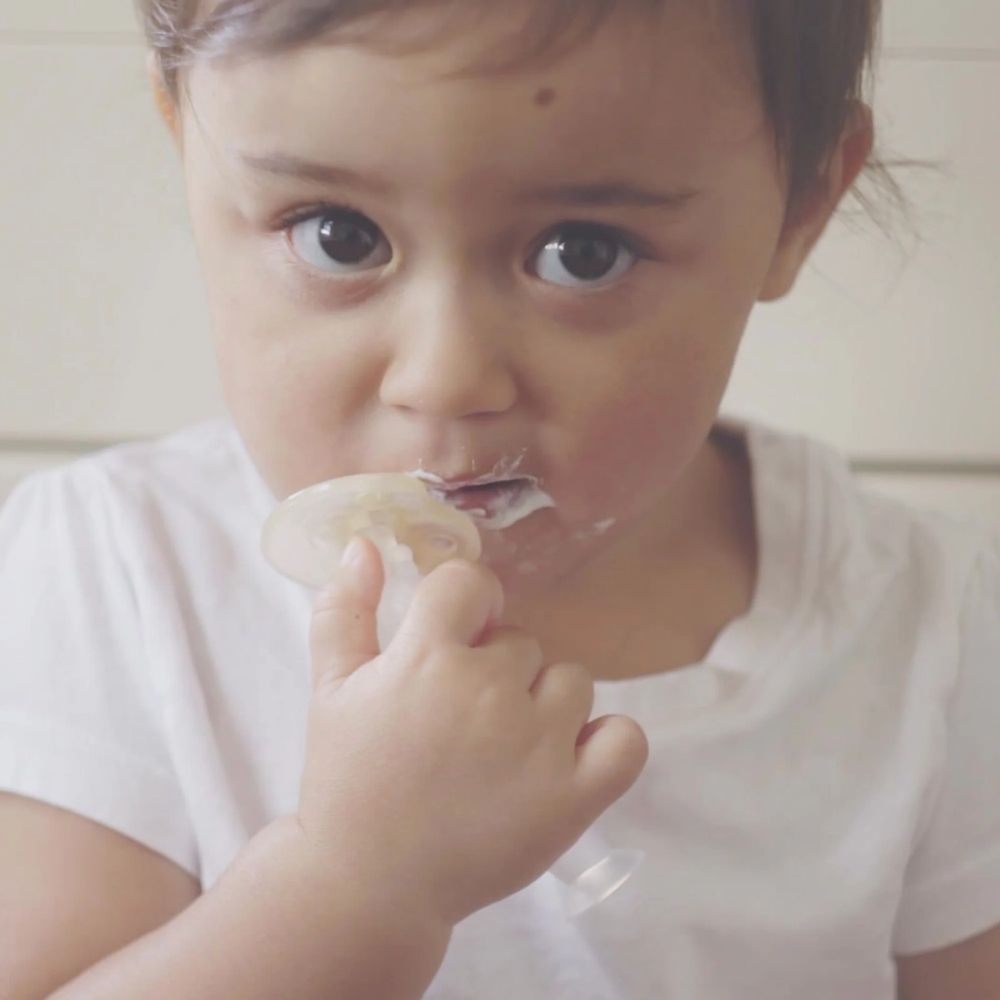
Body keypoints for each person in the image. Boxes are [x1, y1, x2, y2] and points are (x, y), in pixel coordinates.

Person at [1, 1, 998, 997]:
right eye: (339, 236)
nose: (444, 377)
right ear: (188, 144)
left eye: (584, 251)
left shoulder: (929, 632)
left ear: (798, 206)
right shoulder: (113, 578)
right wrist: (353, 884)